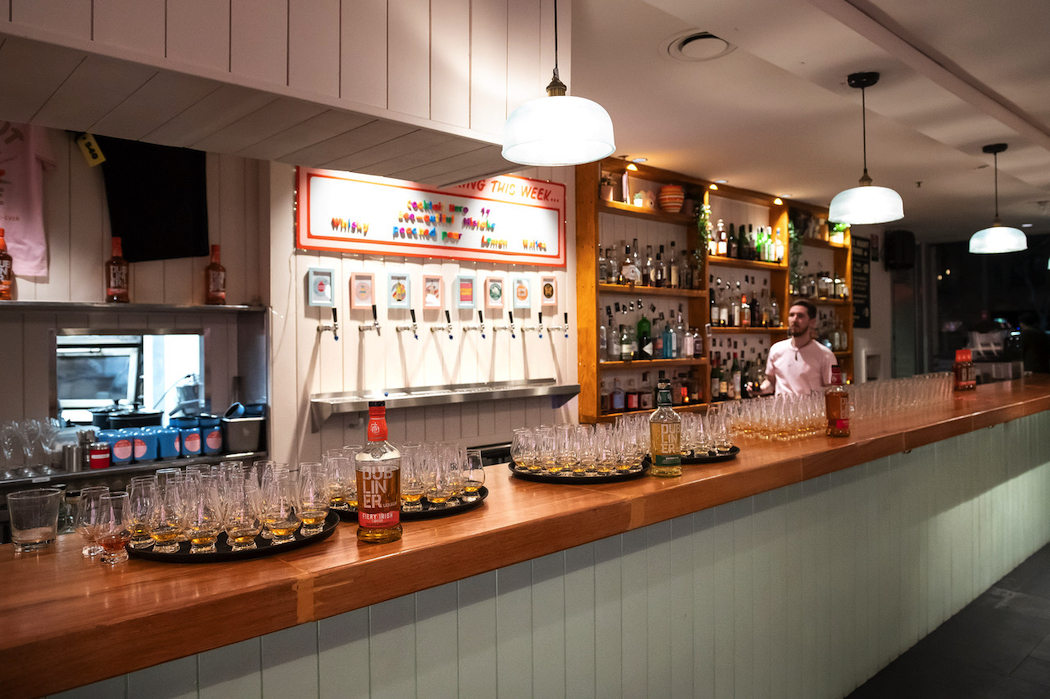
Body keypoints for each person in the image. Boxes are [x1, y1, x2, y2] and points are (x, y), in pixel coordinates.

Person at [761, 299, 837, 396]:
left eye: (800, 316)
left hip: (811, 409)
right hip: (782, 409)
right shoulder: (776, 349)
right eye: (792, 315)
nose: (794, 319)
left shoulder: (825, 354)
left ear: (812, 322)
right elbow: (770, 382)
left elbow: (831, 389)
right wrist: (760, 389)